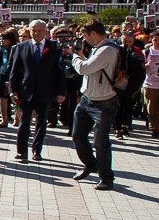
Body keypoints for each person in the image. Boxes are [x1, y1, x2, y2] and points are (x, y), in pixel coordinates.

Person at [70, 18, 120, 190]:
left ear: (93, 33)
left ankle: (106, 178)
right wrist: (83, 57)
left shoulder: (107, 49)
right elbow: (91, 68)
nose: (84, 39)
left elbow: (84, 68)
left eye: (85, 35)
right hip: (87, 100)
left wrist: (75, 57)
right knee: (78, 135)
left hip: (104, 102)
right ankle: (91, 164)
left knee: (100, 142)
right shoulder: (97, 49)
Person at [8, 19, 65, 162]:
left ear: (45, 31)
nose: (36, 33)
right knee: (23, 122)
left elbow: (59, 71)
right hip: (25, 91)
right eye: (34, 30)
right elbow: (15, 71)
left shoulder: (54, 47)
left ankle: (36, 151)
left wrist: (61, 92)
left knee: (41, 123)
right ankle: (21, 152)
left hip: (45, 91)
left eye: (40, 31)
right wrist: (13, 90)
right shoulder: (21, 47)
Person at [0, 29, 18, 127]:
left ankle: (17, 118)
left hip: (13, 77)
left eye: (4, 39)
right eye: (1, 39)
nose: (2, 41)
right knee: (2, 98)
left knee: (15, 98)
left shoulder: (16, 49)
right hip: (1, 77)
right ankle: (4, 120)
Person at [144, 30, 159, 138]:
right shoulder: (147, 52)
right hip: (150, 84)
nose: (157, 42)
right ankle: (154, 128)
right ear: (151, 40)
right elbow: (140, 66)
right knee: (151, 108)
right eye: (155, 40)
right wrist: (146, 65)